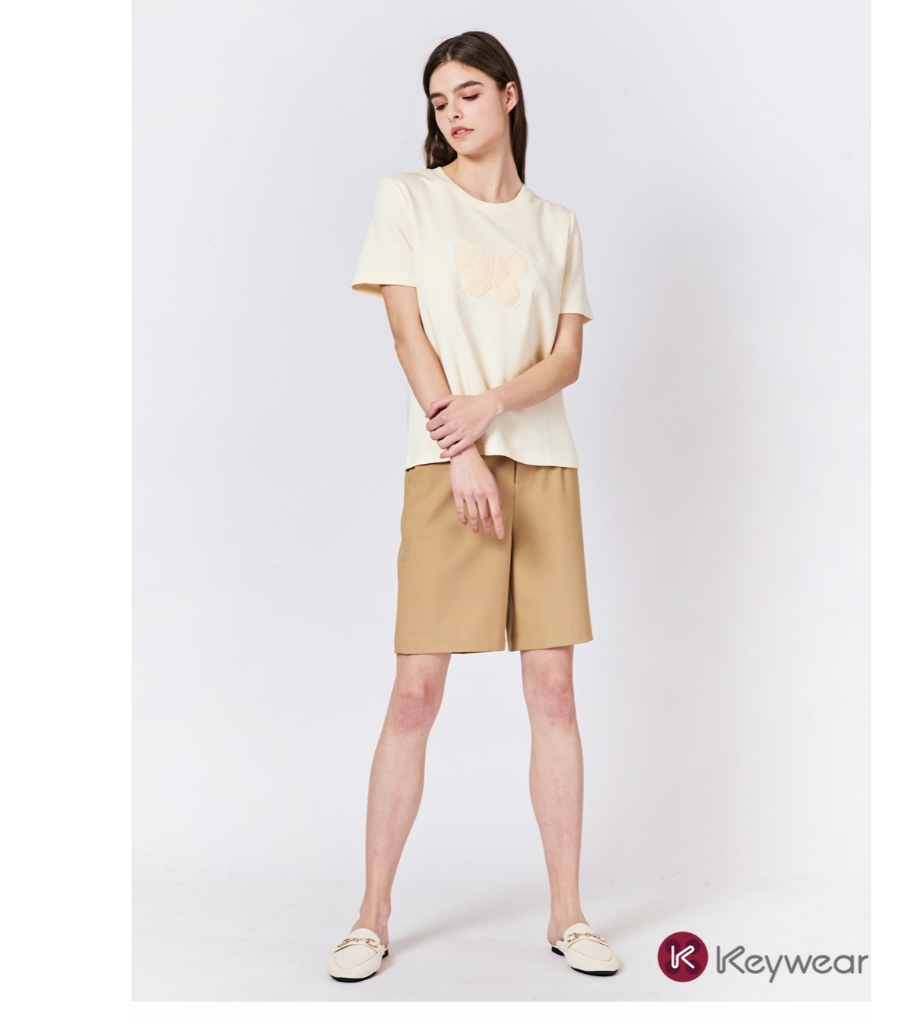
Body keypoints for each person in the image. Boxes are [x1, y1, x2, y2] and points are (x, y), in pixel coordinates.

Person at [328, 30, 620, 983]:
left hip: (544, 465)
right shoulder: (408, 199)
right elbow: (407, 334)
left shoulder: (557, 225)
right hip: (446, 464)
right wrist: (464, 449)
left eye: (466, 94)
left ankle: (569, 914)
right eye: (437, 101)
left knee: (554, 691)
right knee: (416, 689)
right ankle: (370, 917)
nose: (451, 113)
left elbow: (567, 358)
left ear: (509, 95)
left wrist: (493, 408)